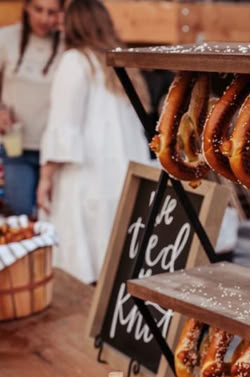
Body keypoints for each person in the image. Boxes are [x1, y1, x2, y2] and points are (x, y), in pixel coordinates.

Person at [37, 0, 150, 284]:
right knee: (118, 261)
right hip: (123, 176)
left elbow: (65, 128)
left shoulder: (76, 61)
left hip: (87, 177)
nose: (58, 22)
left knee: (84, 266)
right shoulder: (121, 64)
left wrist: (45, 177)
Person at [0, 0, 64, 216]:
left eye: (51, 12)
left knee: (54, 217)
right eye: (38, 10)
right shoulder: (6, 38)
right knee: (20, 213)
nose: (44, 19)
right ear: (26, 7)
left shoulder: (68, 44)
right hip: (17, 147)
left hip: (55, 151)